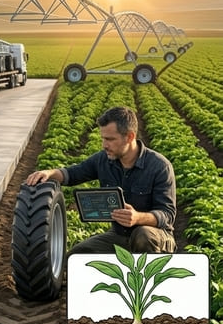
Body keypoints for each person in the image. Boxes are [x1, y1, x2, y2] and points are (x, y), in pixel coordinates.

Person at [25, 106, 176, 254]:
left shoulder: (159, 166)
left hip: (158, 236)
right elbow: (73, 173)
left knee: (143, 236)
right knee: (76, 257)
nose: (104, 145)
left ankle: (149, 277)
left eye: (110, 139)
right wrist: (49, 173)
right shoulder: (103, 160)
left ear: (130, 137)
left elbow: (167, 215)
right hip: (120, 236)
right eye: (103, 138)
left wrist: (137, 217)